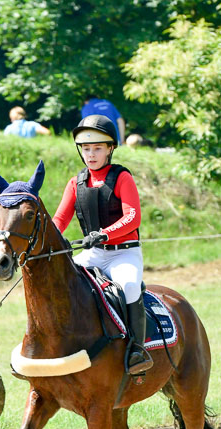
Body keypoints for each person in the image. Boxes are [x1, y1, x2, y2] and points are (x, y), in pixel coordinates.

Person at [53, 114, 153, 375]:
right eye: (86, 149)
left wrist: (103, 234)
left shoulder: (122, 178)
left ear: (110, 149)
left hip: (123, 254)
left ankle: (137, 351)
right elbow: (60, 219)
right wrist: (49, 239)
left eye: (97, 148)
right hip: (92, 254)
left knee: (129, 286)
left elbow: (133, 217)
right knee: (59, 282)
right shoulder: (75, 183)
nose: (91, 154)